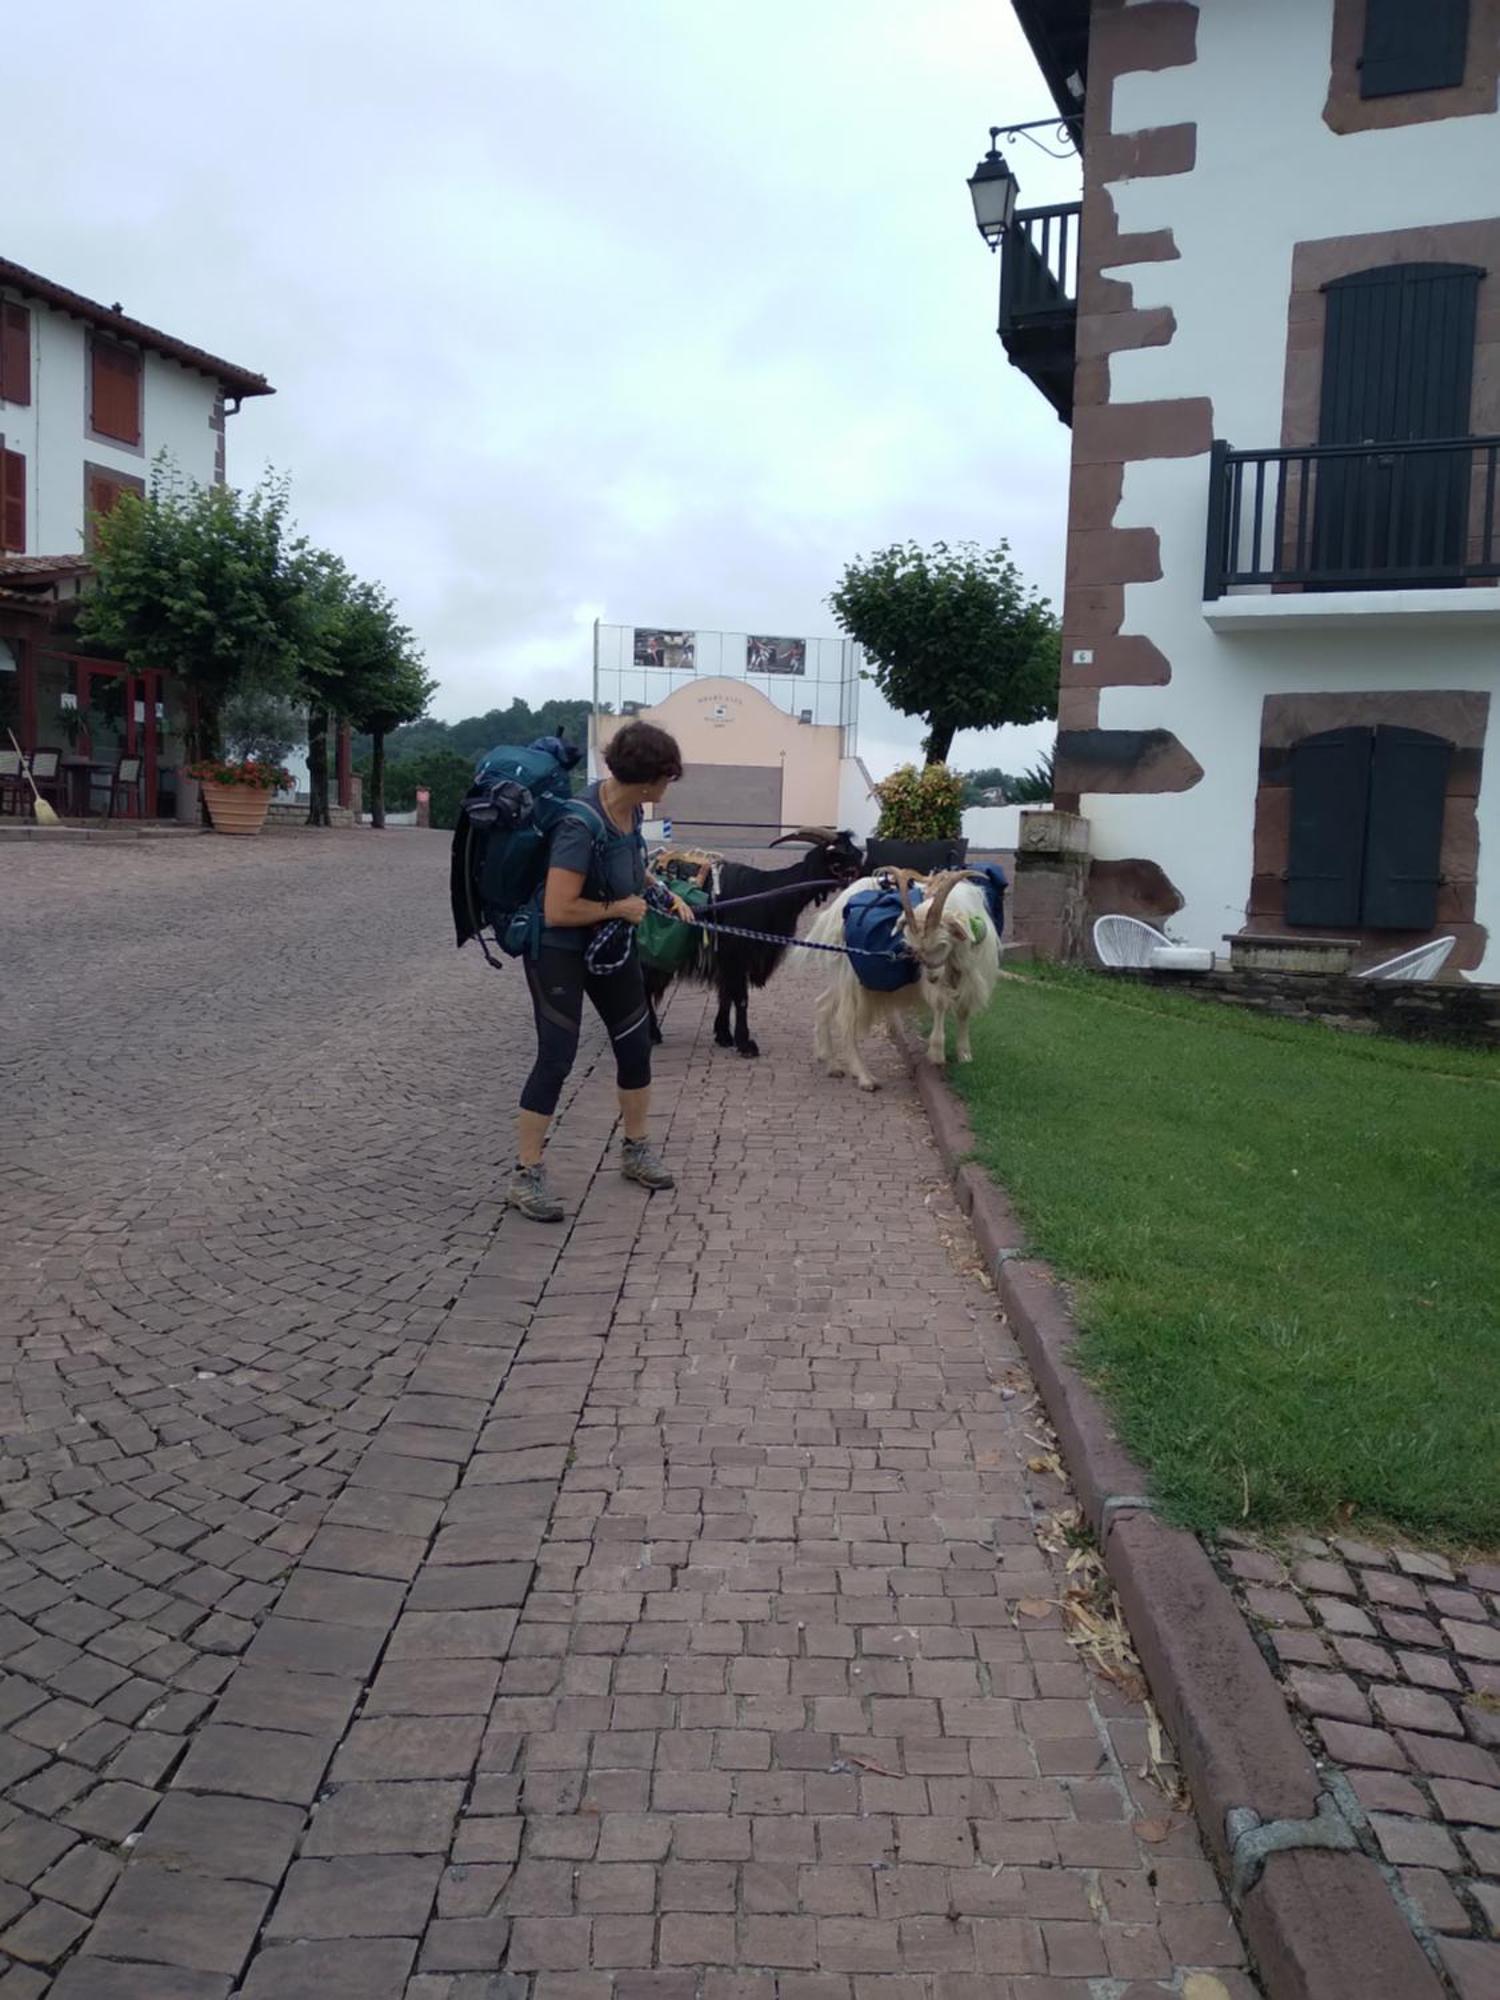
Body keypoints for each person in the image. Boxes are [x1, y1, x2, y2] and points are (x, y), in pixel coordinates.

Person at [508, 720, 686, 1222]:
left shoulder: (628, 813)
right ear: (650, 780)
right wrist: (618, 910)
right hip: (559, 949)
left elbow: (629, 863)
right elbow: (560, 909)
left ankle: (635, 1149)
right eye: (667, 778)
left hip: (609, 949)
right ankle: (526, 1175)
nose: (668, 788)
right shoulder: (578, 824)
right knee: (556, 1059)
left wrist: (661, 892)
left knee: (634, 1046)